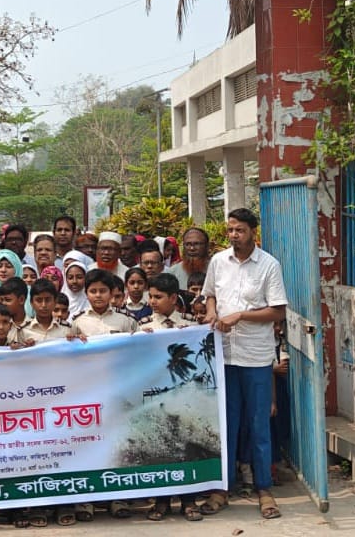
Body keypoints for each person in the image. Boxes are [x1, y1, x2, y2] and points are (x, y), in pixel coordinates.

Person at [201, 208, 288, 520]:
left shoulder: (269, 265)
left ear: (253, 232)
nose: (234, 235)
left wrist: (240, 316)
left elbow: (277, 311)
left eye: (239, 230)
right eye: (230, 230)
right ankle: (222, 488)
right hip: (224, 355)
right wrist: (212, 312)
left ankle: (264, 489)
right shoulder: (218, 261)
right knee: (227, 426)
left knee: (258, 425)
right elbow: (210, 295)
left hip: (255, 357)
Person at [135, 272, 204, 521]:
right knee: (161, 445)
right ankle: (161, 501)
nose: (152, 302)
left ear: (173, 298)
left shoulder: (191, 325)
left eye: (158, 297)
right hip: (156, 397)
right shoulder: (143, 327)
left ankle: (189, 500)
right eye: (151, 296)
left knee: (187, 443)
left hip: (185, 397)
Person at [68, 269, 138, 338]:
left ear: (111, 293)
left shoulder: (125, 319)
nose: (98, 295)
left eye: (103, 291)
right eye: (93, 291)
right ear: (86, 294)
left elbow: (136, 341)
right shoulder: (78, 321)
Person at [21, 279, 69, 345]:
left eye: (48, 300)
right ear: (31, 303)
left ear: (55, 302)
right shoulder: (23, 330)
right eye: (39, 300)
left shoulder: (66, 329)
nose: (44, 305)